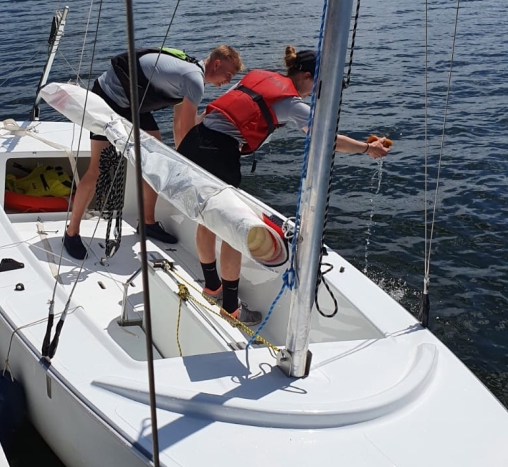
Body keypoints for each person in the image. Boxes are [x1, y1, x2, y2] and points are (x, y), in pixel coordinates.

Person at [178, 46, 392, 322]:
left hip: (196, 140)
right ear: (306, 76)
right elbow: (327, 139)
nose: (319, 91)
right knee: (231, 229)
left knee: (207, 219)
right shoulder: (291, 103)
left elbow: (221, 114)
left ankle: (212, 286)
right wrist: (367, 149)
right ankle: (230, 308)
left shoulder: (261, 77)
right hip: (218, 153)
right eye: (320, 83)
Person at [63, 44, 244, 260]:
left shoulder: (192, 74)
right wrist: (190, 166)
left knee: (155, 160)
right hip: (110, 97)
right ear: (216, 64)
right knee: (98, 169)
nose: (228, 81)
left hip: (134, 104)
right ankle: (71, 232)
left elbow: (181, 124)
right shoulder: (194, 78)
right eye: (228, 74)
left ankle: (147, 222)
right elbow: (184, 130)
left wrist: (190, 149)